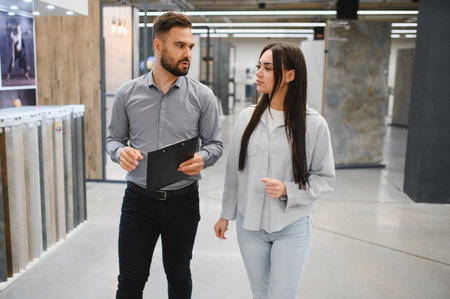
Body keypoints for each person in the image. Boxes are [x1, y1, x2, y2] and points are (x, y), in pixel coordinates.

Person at [106, 12, 223, 299]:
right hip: (138, 202)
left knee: (179, 274)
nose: (188, 54)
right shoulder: (127, 94)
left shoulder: (203, 96)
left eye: (190, 47)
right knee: (131, 280)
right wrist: (120, 152)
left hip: (182, 202)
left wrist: (203, 158)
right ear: (158, 47)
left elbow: (215, 144)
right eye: (180, 46)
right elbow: (112, 139)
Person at [214, 42, 335, 299]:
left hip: (291, 225)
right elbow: (234, 171)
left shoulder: (314, 124)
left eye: (267, 68)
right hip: (250, 226)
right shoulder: (246, 118)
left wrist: (287, 190)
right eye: (259, 66)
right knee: (260, 294)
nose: (258, 72)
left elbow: (325, 178)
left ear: (291, 75)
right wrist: (226, 215)